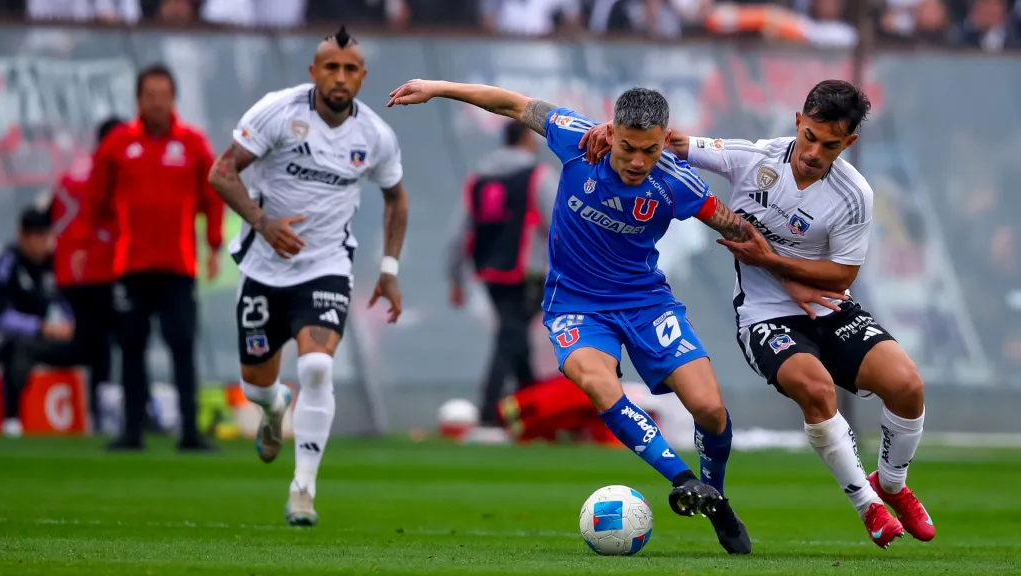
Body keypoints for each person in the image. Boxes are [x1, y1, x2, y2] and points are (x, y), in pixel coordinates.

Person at [387, 78, 844, 555]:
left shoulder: (679, 183)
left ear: (665, 140)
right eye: (627, 147)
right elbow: (512, 103)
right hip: (576, 304)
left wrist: (789, 277)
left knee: (709, 409)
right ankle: (683, 479)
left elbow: (737, 228)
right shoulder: (578, 139)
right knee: (600, 385)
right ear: (613, 132)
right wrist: (435, 88)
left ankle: (716, 500)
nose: (636, 161)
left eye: (649, 150)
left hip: (647, 303)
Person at [581, 79, 933, 549]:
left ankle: (891, 483)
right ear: (798, 122)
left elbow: (842, 274)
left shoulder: (855, 194)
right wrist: (611, 128)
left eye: (830, 145)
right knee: (816, 389)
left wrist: (772, 261)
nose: (814, 151)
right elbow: (673, 141)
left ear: (848, 143)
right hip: (766, 317)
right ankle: (868, 504)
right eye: (809, 136)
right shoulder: (754, 157)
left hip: (828, 305)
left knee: (907, 386)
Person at [208, 26, 409, 527]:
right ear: (313, 72)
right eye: (330, 68)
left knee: (318, 368)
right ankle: (274, 411)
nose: (340, 78)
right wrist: (262, 223)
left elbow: (395, 199)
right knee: (257, 385)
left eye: (350, 69)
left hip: (326, 266)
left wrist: (388, 269)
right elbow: (220, 172)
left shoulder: (375, 136)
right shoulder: (278, 112)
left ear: (362, 77)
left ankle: (303, 489)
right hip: (262, 267)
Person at [87, 64, 224, 452]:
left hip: (178, 266)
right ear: (138, 99)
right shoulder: (118, 145)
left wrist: (213, 247)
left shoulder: (193, 144)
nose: (158, 102)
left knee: (183, 346)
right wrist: (99, 244)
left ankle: (190, 433)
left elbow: (212, 197)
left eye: (164, 95)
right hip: (130, 266)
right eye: (150, 95)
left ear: (173, 98)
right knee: (131, 347)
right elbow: (95, 201)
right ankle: (132, 431)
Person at [448, 120, 556, 439]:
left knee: (514, 332)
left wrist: (454, 278)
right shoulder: (539, 176)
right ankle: (488, 412)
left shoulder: (478, 179)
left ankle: (532, 406)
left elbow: (457, 234)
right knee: (512, 333)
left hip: (489, 274)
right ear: (526, 139)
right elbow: (559, 227)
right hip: (530, 272)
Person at [50, 116, 123, 432]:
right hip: (100, 270)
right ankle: (107, 412)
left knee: (94, 345)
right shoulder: (109, 174)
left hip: (70, 273)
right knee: (110, 344)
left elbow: (57, 218)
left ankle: (99, 411)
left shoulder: (71, 174)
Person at [0, 206, 76, 437]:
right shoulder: (8, 263)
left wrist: (69, 324)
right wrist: (39, 326)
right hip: (17, 338)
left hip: (53, 338)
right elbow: (1, 314)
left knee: (94, 341)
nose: (44, 243)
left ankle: (99, 411)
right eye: (38, 237)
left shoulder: (56, 262)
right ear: (23, 236)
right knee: (17, 348)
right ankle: (12, 420)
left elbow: (66, 300)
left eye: (47, 236)